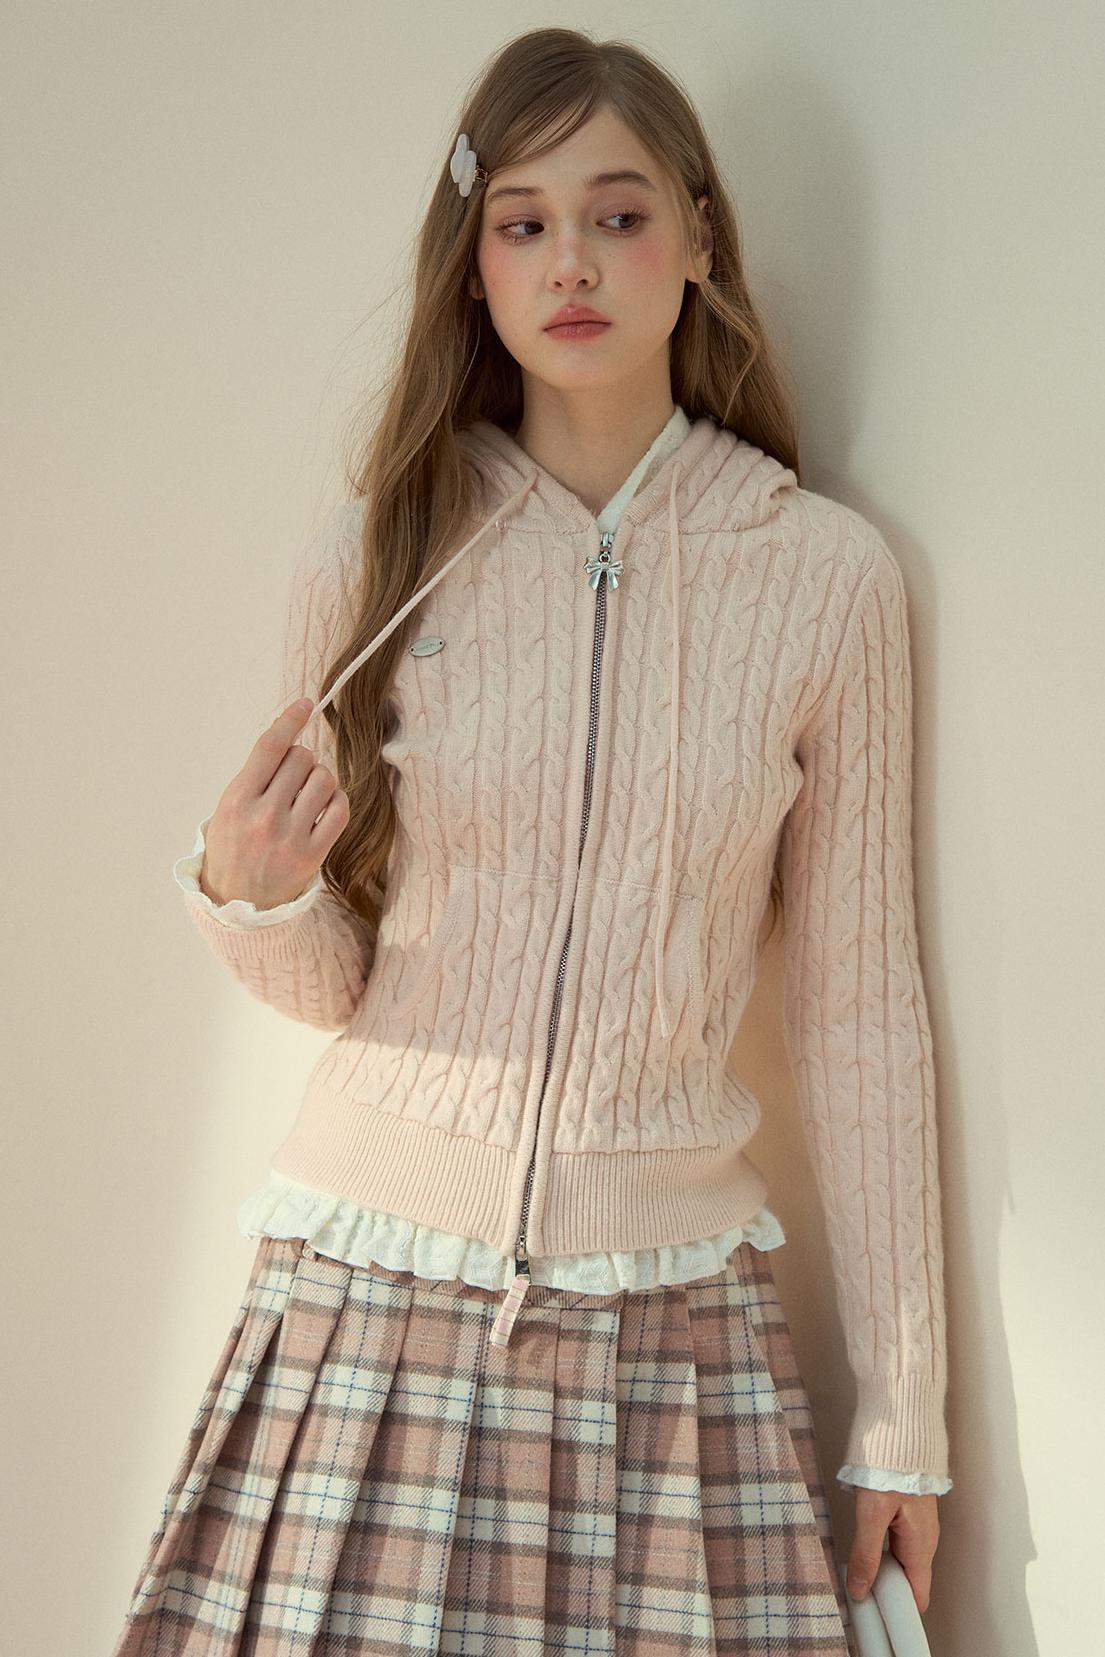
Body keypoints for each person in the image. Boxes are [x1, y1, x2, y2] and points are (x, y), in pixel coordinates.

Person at [110, 26, 951, 1657]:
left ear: (697, 239)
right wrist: (255, 901)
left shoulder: (823, 578)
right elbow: (343, 982)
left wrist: (902, 1413)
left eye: (617, 215)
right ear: (476, 261)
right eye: (524, 221)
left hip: (672, 1326)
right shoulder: (379, 551)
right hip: (374, 1299)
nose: (571, 260)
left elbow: (858, 1010)